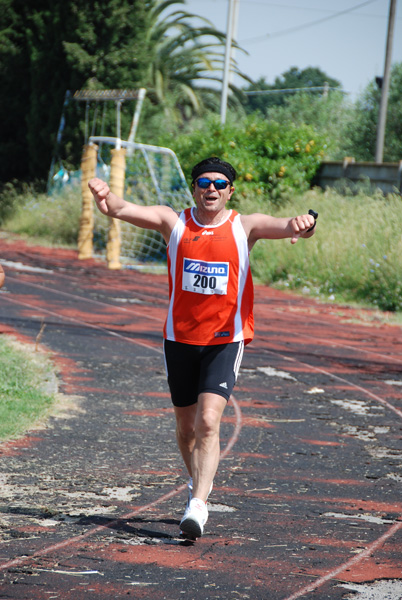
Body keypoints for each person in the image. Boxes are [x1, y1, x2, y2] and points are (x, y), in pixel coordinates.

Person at [88, 156, 317, 540]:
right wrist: (105, 197)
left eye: (220, 184)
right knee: (185, 427)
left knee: (209, 421)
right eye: (204, 182)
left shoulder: (245, 226)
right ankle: (199, 483)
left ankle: (198, 503)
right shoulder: (172, 222)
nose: (212, 188)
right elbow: (120, 209)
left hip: (225, 341)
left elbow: (290, 226)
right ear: (194, 188)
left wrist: (302, 224)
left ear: (230, 191)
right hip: (179, 339)